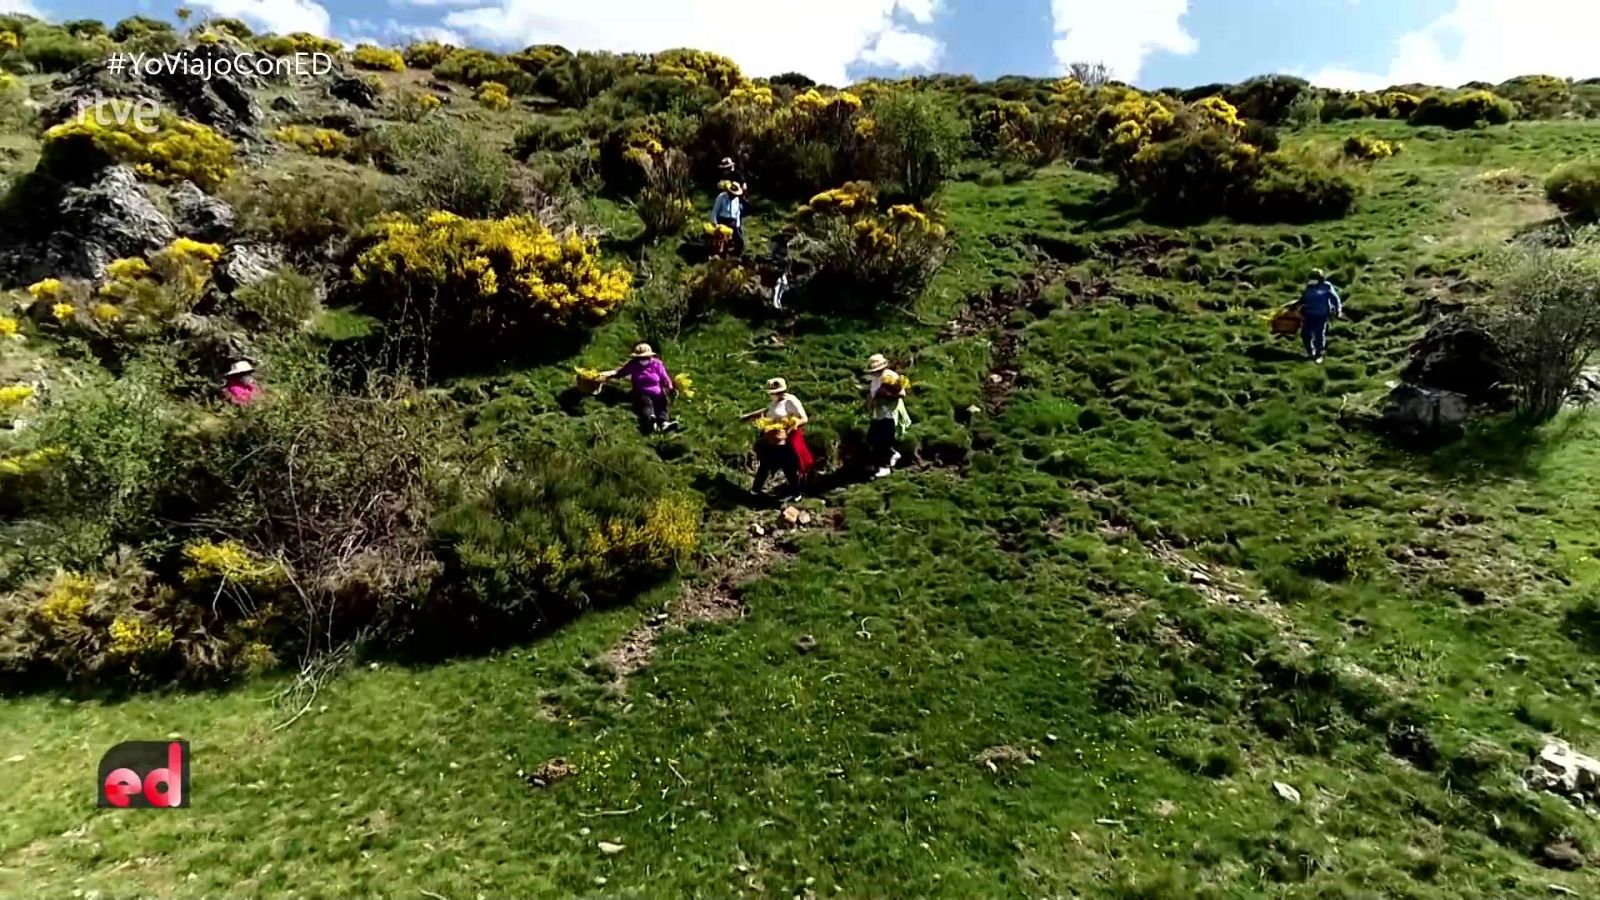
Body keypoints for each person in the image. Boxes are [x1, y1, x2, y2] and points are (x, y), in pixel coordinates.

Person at [742, 377, 813, 499]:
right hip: (773, 439)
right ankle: (755, 491)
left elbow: (804, 418)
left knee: (788, 467)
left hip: (785, 440)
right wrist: (749, 416)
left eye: (776, 392)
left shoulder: (791, 401)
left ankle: (796, 495)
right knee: (766, 464)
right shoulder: (774, 402)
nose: (774, 395)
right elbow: (767, 411)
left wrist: (788, 427)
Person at [603, 343, 680, 434]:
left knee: (662, 404)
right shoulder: (633, 365)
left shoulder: (657, 364)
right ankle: (651, 419)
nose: (644, 359)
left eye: (646, 357)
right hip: (641, 392)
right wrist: (607, 375)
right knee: (647, 404)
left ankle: (664, 423)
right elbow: (621, 373)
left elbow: (664, 377)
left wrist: (670, 388)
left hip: (658, 392)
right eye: (641, 358)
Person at [865, 354, 910, 479]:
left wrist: (886, 394)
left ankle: (884, 467)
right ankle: (891, 454)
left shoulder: (891, 376)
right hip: (878, 412)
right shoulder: (875, 379)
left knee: (883, 439)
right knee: (873, 438)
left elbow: (902, 393)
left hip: (889, 412)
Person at [1287, 269, 1342, 363]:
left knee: (1319, 333)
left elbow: (1335, 299)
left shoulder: (1326, 287)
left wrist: (1337, 310)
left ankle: (1319, 354)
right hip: (1308, 313)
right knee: (1305, 333)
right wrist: (1295, 305)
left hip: (1322, 314)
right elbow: (1303, 299)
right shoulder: (1309, 287)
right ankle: (1309, 352)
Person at [711, 182, 745, 257]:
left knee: (739, 240)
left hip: (733, 221)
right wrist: (715, 223)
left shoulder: (736, 199)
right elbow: (715, 211)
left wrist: (738, 225)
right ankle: (721, 255)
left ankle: (736, 255)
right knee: (723, 239)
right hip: (723, 221)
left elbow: (737, 213)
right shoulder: (721, 197)